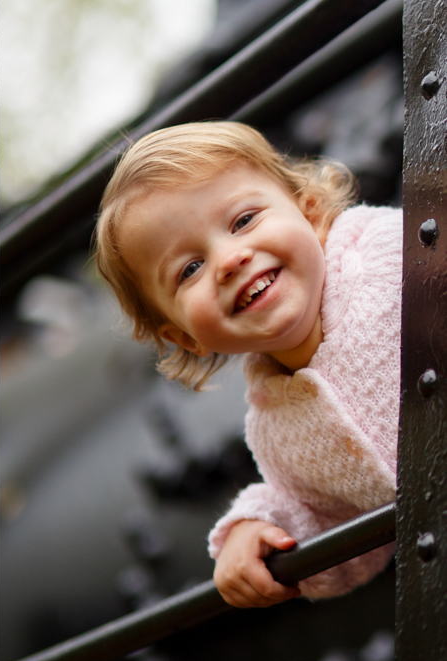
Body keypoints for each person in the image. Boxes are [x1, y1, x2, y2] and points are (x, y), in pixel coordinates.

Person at [93, 122, 400, 607]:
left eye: (243, 221)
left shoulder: (393, 254)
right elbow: (339, 535)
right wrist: (257, 529)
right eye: (189, 269)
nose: (229, 260)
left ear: (310, 211)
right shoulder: (276, 430)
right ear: (183, 336)